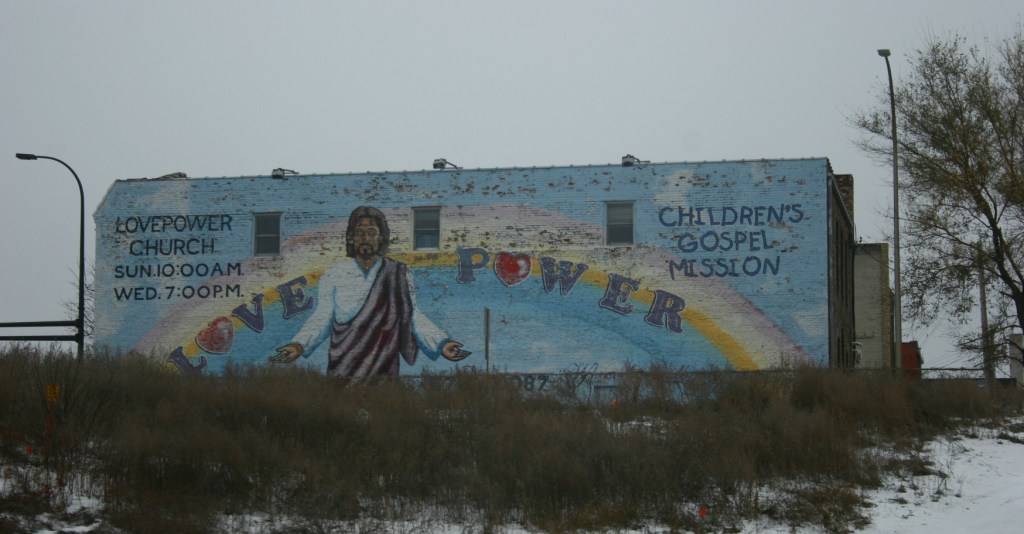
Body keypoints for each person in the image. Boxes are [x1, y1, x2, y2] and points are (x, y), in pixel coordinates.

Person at [269, 206, 470, 376]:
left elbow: (411, 315)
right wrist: (298, 345)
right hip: (343, 362)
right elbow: (322, 317)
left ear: (381, 238)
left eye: (371, 232)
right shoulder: (336, 273)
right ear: (351, 238)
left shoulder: (398, 272)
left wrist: (442, 345)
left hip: (384, 361)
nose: (365, 238)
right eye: (359, 233)